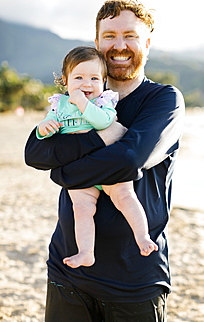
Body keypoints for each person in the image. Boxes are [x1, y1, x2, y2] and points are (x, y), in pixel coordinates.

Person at [25, 0, 185, 322]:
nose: (120, 45)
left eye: (130, 36)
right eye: (110, 36)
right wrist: (102, 138)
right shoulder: (78, 98)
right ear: (97, 42)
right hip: (68, 270)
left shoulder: (164, 101)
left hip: (134, 280)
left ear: (148, 43)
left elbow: (130, 159)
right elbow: (36, 152)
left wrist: (63, 174)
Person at [37, 46, 158, 268]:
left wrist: (82, 103)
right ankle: (85, 252)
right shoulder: (59, 104)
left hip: (110, 166)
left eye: (94, 78)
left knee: (126, 197)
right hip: (81, 172)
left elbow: (103, 123)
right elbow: (43, 133)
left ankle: (142, 236)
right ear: (66, 80)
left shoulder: (104, 102)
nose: (86, 84)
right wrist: (44, 128)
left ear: (103, 82)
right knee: (82, 209)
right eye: (79, 77)